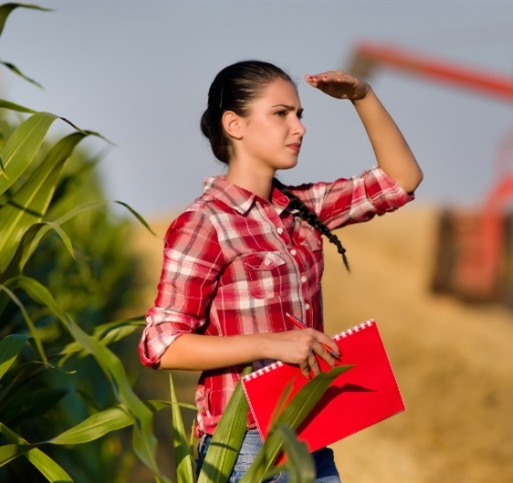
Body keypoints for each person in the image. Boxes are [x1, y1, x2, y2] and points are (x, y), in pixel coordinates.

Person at [137, 59, 423, 482]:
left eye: (299, 115)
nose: (299, 127)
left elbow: (401, 180)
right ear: (234, 125)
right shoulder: (206, 223)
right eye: (281, 114)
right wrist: (271, 343)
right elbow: (160, 345)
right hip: (242, 447)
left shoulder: (303, 209)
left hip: (307, 433)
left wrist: (362, 96)